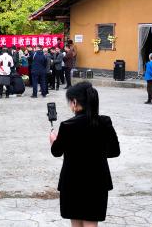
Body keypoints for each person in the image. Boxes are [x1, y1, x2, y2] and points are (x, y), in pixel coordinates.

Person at [50, 81, 120, 226]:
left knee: (75, 222)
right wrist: (95, 152)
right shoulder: (105, 122)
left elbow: (56, 152)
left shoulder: (67, 126)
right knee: (91, 222)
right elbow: (114, 151)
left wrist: (53, 140)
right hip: (97, 181)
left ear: (74, 102)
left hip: (72, 181)